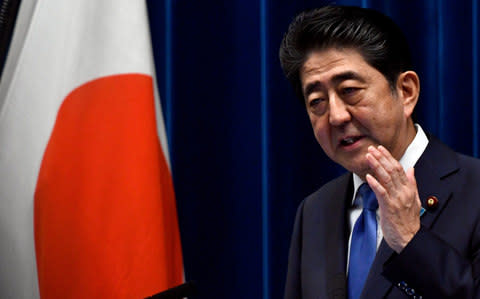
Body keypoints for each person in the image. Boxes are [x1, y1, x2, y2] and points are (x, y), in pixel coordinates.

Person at [279, 5, 480, 299]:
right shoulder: (315, 211)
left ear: (406, 91)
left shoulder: (474, 190)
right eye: (317, 101)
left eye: (349, 90)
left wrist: (412, 241)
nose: (335, 116)